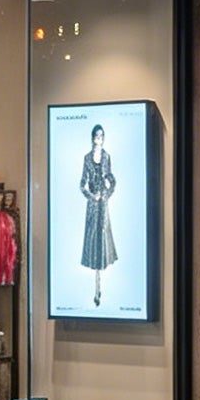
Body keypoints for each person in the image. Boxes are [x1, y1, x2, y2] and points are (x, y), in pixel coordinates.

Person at [80, 124, 117, 306]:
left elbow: (112, 178)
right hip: (93, 205)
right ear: (92, 137)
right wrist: (91, 196)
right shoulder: (87, 158)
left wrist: (106, 194)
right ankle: (96, 288)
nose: (99, 139)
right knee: (93, 237)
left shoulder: (107, 157)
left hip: (103, 204)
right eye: (96, 136)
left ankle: (99, 286)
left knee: (102, 236)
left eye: (101, 136)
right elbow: (82, 184)